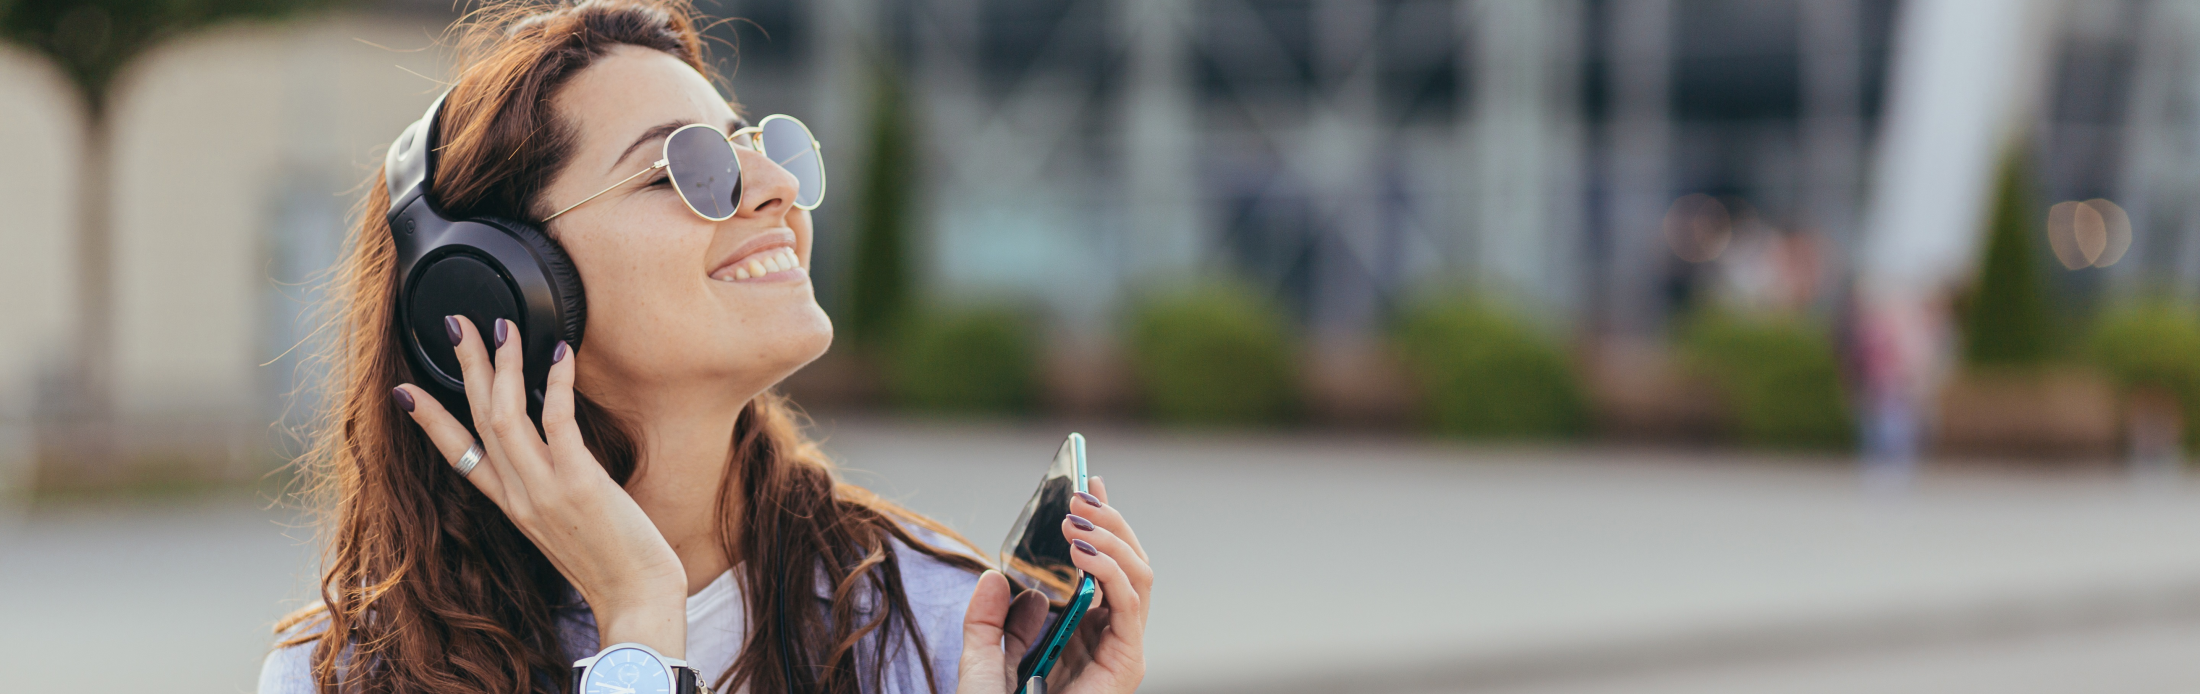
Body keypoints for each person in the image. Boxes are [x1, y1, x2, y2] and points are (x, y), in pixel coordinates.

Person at [256, 1, 1151, 692]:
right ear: (497, 292)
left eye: (758, 147)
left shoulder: (946, 625)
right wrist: (640, 622)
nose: (772, 187)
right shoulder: (345, 673)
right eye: (682, 167)